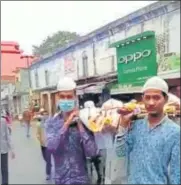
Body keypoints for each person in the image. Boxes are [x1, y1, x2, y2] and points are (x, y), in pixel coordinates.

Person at [117, 76, 180, 184]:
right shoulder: (136, 126)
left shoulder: (175, 132)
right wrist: (122, 125)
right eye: (147, 97)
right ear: (142, 99)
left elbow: (176, 173)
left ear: (165, 99)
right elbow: (120, 153)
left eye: (156, 97)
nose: (151, 102)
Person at [45, 77, 97, 184]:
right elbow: (51, 147)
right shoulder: (51, 122)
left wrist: (80, 124)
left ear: (75, 98)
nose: (66, 100)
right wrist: (67, 124)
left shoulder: (85, 121)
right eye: (62, 97)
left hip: (81, 180)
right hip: (61, 180)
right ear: (57, 98)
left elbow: (92, 152)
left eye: (69, 97)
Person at [36, 108, 52, 180]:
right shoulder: (39, 125)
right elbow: (37, 134)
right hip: (42, 144)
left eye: (46, 115)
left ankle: (48, 174)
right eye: (44, 115)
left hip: (49, 144)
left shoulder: (51, 124)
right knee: (45, 158)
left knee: (48, 160)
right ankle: (50, 165)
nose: (45, 116)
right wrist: (40, 139)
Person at [1, 116, 15, 185]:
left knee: (4, 169)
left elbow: (7, 135)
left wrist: (12, 149)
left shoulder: (3, 121)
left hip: (3, 148)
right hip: (3, 148)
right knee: (4, 169)